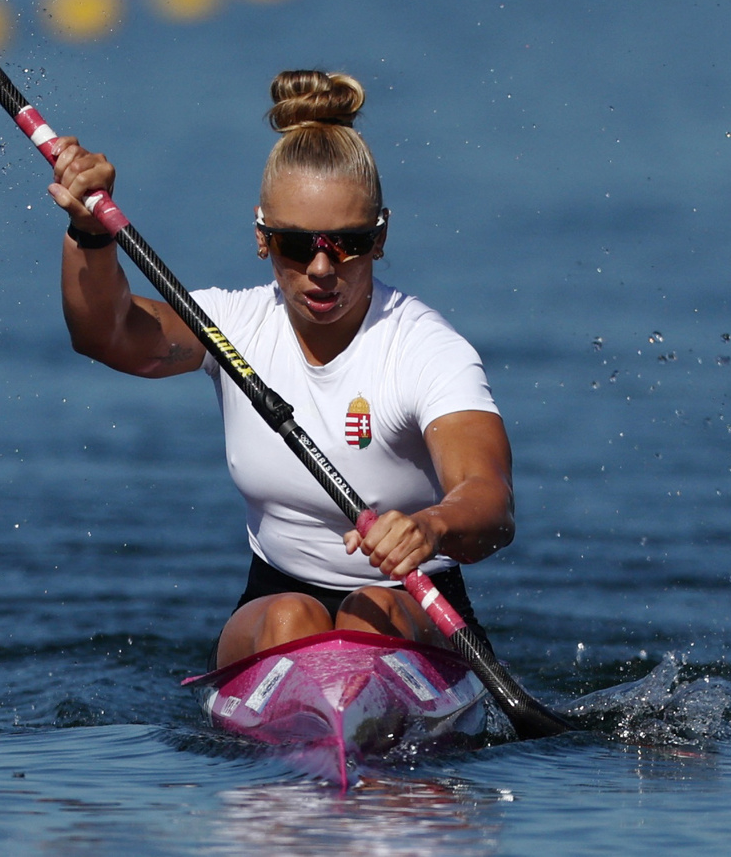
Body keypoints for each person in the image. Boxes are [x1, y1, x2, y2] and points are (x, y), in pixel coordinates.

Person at [49, 70, 514, 668]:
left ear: (381, 236)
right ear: (263, 237)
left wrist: (432, 527)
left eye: (346, 242)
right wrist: (90, 233)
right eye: (298, 245)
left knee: (371, 608)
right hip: (275, 608)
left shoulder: (425, 348)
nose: (322, 267)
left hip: (415, 608)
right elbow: (104, 333)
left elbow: (491, 501)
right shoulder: (231, 328)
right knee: (294, 618)